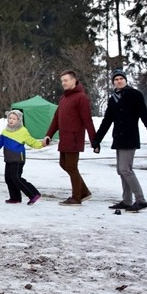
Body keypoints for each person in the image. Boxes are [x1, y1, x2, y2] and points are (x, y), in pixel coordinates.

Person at [92, 69, 147, 212]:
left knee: (125, 169)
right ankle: (126, 200)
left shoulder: (134, 95)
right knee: (121, 170)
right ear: (113, 82)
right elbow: (106, 121)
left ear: (125, 80)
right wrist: (96, 140)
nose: (119, 81)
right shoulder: (113, 99)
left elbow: (144, 115)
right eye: (116, 79)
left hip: (130, 137)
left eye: (121, 78)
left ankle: (141, 200)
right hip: (118, 137)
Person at [44, 70, 96, 205]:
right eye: (62, 81)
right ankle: (84, 192)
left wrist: (94, 140)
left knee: (72, 166)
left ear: (74, 80)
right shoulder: (63, 98)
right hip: (64, 138)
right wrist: (48, 135)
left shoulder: (81, 98)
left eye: (66, 80)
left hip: (74, 138)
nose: (63, 83)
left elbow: (87, 120)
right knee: (64, 164)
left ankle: (77, 197)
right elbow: (56, 119)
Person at [0, 110, 43, 205]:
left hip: (18, 158)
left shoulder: (23, 131)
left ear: (19, 120)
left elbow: (32, 142)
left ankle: (33, 194)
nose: (11, 120)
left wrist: (42, 144)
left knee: (16, 178)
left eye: (14, 119)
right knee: (8, 178)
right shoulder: (5, 131)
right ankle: (15, 198)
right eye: (10, 118)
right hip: (9, 158)